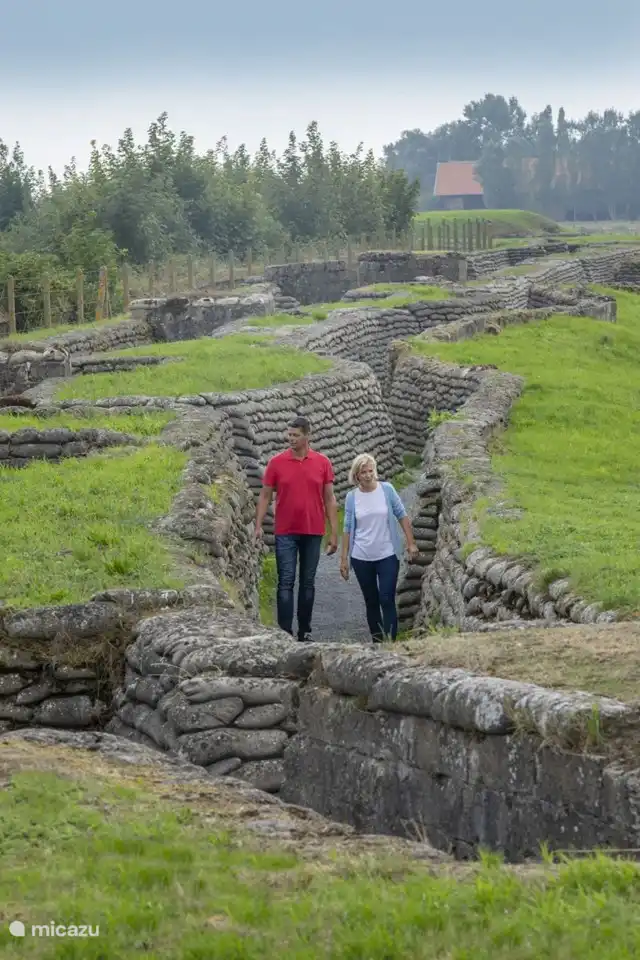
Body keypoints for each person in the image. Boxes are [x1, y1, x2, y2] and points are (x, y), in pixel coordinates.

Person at [254, 416, 338, 641]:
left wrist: (334, 533)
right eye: (289, 435)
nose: (290, 439)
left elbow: (330, 499)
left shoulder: (322, 462)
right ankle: (284, 633)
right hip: (285, 531)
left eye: (295, 435)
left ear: (307, 436)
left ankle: (304, 631)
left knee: (308, 583)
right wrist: (258, 525)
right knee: (286, 581)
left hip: (313, 531)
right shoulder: (276, 463)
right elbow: (264, 495)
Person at [340, 453, 419, 643]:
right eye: (363, 472)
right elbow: (348, 527)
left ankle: (390, 643)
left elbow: (402, 515)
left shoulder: (387, 490)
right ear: (356, 475)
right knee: (372, 601)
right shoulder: (352, 498)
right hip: (361, 557)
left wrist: (411, 542)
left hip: (387, 554)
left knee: (386, 598)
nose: (368, 475)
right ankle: (377, 642)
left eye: (370, 471)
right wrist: (344, 558)